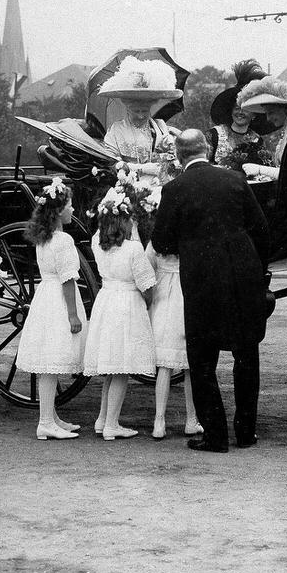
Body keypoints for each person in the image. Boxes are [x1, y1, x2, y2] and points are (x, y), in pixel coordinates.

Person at [151, 130, 271, 452]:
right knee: (247, 356)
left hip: (202, 281)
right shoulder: (235, 180)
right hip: (243, 276)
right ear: (207, 149)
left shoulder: (174, 189)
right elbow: (261, 228)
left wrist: (187, 242)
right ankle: (246, 433)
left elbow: (161, 241)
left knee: (202, 361)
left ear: (178, 156)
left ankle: (215, 435)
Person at [14, 179, 86, 440]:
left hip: (45, 297)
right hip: (58, 300)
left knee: (50, 360)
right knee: (52, 361)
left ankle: (52, 417)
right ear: (57, 211)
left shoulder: (44, 239)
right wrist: (73, 314)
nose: (73, 211)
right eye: (69, 206)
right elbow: (68, 279)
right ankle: (45, 421)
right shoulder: (64, 240)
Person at [83, 188, 158, 441]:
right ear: (125, 221)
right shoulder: (133, 249)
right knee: (122, 367)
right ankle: (112, 424)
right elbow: (147, 285)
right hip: (127, 304)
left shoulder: (97, 242)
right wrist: (148, 303)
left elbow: (101, 230)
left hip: (106, 301)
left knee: (112, 368)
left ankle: (103, 419)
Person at [146, 168, 201, 441]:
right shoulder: (191, 241)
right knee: (191, 365)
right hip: (186, 299)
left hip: (164, 302)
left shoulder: (157, 243)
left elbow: (146, 271)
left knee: (165, 367)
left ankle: (160, 421)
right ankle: (191, 419)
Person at [97, 57, 183, 183]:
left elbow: (172, 158)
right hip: (128, 185)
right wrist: (142, 168)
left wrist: (170, 148)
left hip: (158, 184)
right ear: (127, 109)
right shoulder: (117, 129)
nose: (141, 116)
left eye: (145, 111)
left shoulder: (160, 126)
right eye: (136, 111)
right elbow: (110, 162)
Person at [206, 60, 274, 172]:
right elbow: (203, 166)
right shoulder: (214, 135)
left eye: (246, 109)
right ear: (231, 110)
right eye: (237, 108)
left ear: (254, 114)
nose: (240, 113)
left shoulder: (257, 140)